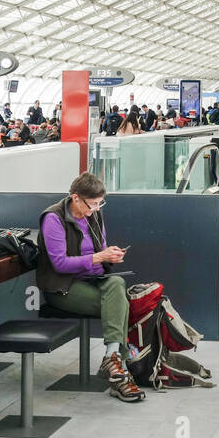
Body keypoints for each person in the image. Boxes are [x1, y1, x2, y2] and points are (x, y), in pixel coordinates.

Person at [36, 171, 143, 403]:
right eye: (92, 203)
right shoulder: (53, 218)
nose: (96, 208)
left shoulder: (94, 215)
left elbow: (99, 249)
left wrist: (108, 257)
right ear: (75, 198)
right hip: (62, 287)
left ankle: (112, 359)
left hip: (91, 280)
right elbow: (60, 264)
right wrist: (98, 257)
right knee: (119, 304)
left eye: (99, 203)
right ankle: (118, 371)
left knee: (116, 283)